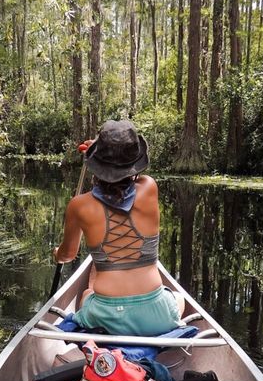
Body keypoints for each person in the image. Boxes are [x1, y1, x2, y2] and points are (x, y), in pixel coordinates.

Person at [53, 120, 184, 337]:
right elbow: (133, 177)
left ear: (95, 164)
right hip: (156, 316)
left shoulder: (79, 205)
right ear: (135, 163)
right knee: (177, 298)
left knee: (87, 293)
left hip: (106, 317)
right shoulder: (150, 187)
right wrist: (103, 151)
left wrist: (57, 254)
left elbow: (68, 255)